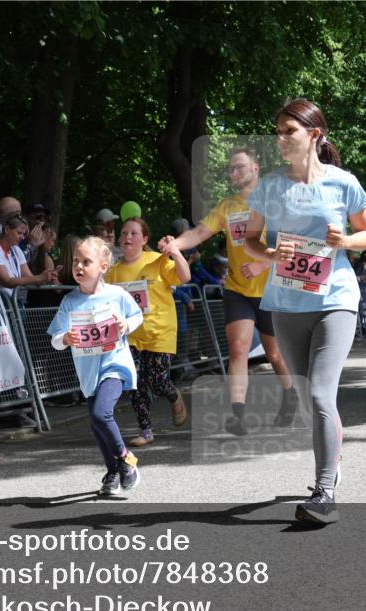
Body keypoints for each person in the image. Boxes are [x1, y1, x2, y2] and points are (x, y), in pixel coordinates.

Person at [243, 98, 366, 526]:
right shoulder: (269, 187)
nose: (281, 139)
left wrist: (345, 242)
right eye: (278, 132)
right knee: (307, 399)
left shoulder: (343, 183)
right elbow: (250, 241)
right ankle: (332, 458)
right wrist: (269, 253)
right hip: (286, 302)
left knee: (320, 394)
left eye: (290, 131)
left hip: (335, 300)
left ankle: (325, 492)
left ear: (314, 135)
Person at [158, 147, 297, 436]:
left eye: (240, 167)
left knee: (274, 354)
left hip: (271, 290)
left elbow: (292, 247)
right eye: (231, 169)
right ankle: (238, 415)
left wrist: (262, 265)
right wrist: (174, 245)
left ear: (256, 168)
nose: (234, 172)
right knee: (238, 348)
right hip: (237, 289)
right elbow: (199, 233)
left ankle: (290, 394)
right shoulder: (227, 207)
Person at [47, 236, 144, 496]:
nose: (78, 266)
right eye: (75, 261)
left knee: (101, 414)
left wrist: (125, 324)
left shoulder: (117, 295)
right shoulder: (70, 301)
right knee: (96, 422)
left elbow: (137, 316)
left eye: (86, 262)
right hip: (88, 372)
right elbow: (55, 339)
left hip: (114, 365)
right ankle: (113, 472)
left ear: (103, 266)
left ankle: (125, 460)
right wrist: (66, 339)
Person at [106, 218, 192, 448]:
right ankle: (146, 431)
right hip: (131, 335)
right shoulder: (113, 272)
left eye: (133, 233)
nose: (127, 237)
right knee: (134, 382)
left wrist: (175, 253)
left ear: (144, 239)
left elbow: (185, 277)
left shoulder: (157, 260)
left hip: (160, 331)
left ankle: (174, 395)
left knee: (157, 381)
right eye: (124, 233)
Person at [0, 213, 57, 298]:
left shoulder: (16, 249)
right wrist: (39, 278)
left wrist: (47, 277)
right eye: (19, 233)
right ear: (7, 229)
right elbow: (7, 281)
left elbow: (29, 277)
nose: (22, 237)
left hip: (8, 302)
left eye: (23, 234)